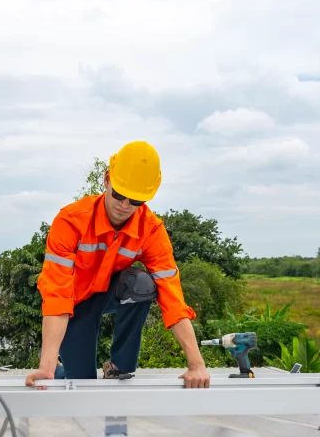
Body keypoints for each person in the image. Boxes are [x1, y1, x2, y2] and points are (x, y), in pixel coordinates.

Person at [25, 141, 211, 389]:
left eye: (134, 201)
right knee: (83, 383)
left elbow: (172, 298)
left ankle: (118, 366)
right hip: (76, 304)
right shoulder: (71, 221)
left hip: (109, 293)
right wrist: (45, 368)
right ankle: (61, 372)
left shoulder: (151, 230)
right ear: (106, 180)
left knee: (142, 283)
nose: (124, 205)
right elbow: (57, 293)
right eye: (119, 195)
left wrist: (197, 365)